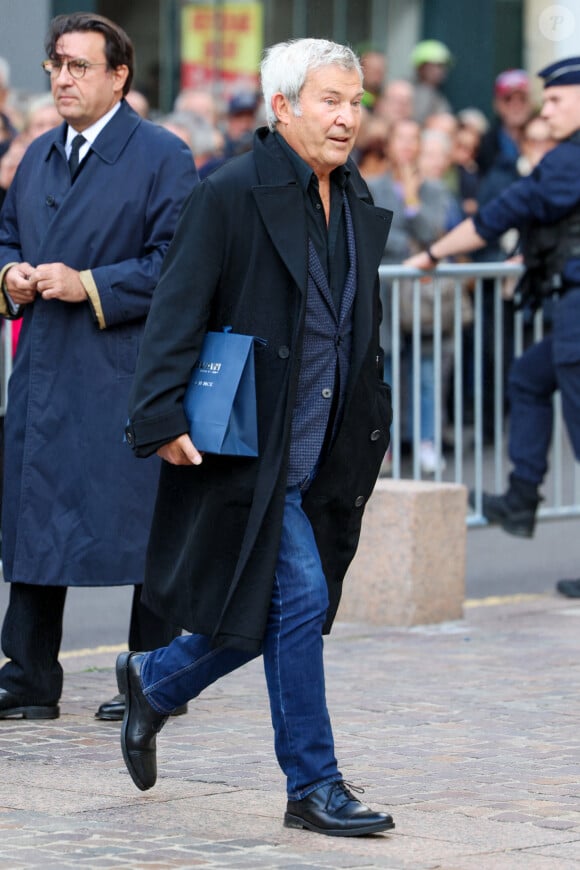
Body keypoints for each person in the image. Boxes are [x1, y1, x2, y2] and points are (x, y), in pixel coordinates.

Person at [117, 37, 395, 838]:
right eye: (330, 101)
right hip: (249, 449)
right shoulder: (232, 191)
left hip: (322, 450)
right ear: (283, 108)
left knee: (270, 612)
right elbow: (178, 305)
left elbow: (350, 326)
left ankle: (156, 680)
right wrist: (160, 415)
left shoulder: (353, 192)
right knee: (299, 599)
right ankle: (313, 783)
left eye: (355, 102)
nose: (346, 118)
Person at [0, 12, 198, 722]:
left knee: (144, 525)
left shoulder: (163, 155)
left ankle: (151, 679)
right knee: (32, 518)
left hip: (122, 368)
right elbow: (4, 236)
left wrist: (86, 283)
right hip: (44, 367)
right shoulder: (36, 154)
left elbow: (176, 266)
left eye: (78, 65)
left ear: (119, 75)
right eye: (56, 63)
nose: (61, 77)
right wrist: (11, 275)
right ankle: (26, 676)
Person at [405, 56, 580, 541]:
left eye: (559, 101)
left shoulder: (569, 158)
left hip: (577, 318)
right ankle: (522, 498)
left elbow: (501, 213)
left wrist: (434, 253)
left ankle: (522, 499)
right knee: (527, 377)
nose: (547, 113)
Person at [409, 39, 453, 125]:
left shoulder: (438, 97)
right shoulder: (405, 91)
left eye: (443, 66)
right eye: (435, 66)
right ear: (420, 67)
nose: (440, 71)